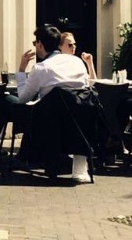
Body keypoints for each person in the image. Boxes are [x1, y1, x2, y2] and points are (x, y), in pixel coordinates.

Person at [16, 24, 93, 183]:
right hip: (82, 122)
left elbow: (23, 98)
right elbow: (86, 88)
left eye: (35, 43)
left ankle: (22, 156)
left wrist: (21, 71)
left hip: (51, 126)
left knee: (12, 102)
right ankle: (79, 167)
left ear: (40, 44)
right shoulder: (77, 62)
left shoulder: (41, 68)